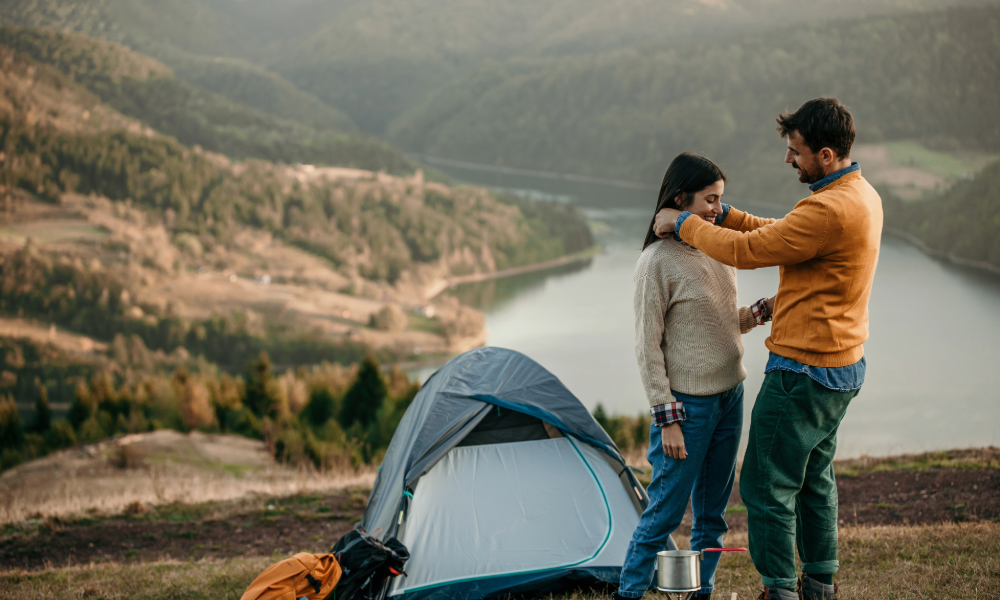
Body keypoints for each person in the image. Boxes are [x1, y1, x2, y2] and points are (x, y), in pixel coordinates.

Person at [652, 98, 882, 600]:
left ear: (825, 154)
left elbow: (751, 252)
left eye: (795, 151)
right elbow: (781, 237)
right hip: (841, 366)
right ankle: (819, 583)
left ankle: (780, 591)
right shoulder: (859, 194)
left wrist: (686, 224)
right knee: (814, 476)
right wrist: (727, 214)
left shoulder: (826, 210)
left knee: (764, 483)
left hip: (803, 370)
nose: (787, 159)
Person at [616, 153, 773, 600]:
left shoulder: (719, 246)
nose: (717, 209)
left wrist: (758, 313)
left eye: (721, 199)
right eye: (710, 199)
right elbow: (648, 346)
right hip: (689, 407)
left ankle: (701, 593)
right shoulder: (656, 262)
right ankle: (627, 593)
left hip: (730, 396)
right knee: (664, 512)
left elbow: (718, 321)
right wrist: (667, 417)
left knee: (713, 516)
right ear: (680, 198)